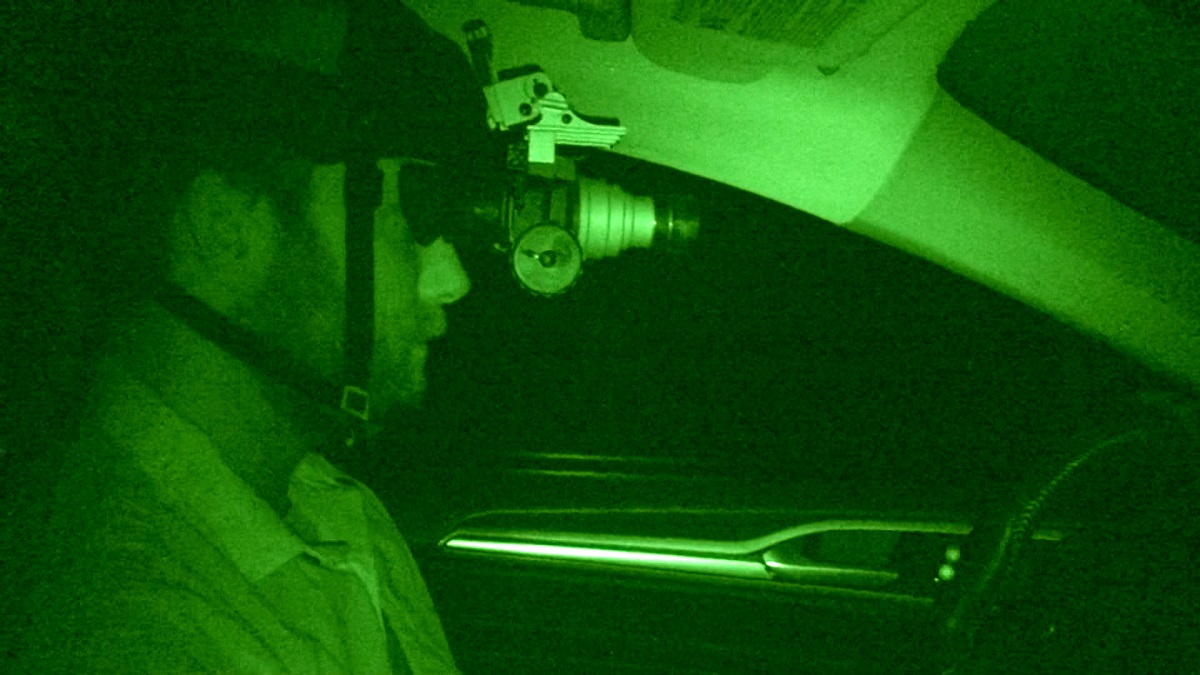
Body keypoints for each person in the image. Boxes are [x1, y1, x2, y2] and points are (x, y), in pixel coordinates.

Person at [15, 0, 495, 672]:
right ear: (225, 226)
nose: (453, 279)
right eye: (410, 215)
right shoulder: (131, 626)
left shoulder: (337, 510)